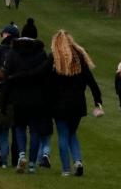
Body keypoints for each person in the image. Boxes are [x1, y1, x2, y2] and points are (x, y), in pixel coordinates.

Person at [46, 30, 103, 178]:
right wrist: (98, 101)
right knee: (72, 133)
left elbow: (45, 82)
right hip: (77, 103)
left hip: (59, 104)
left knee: (63, 135)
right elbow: (92, 83)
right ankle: (77, 161)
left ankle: (66, 169)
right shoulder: (79, 59)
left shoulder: (54, 60)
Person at [5, 23, 49, 174]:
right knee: (35, 130)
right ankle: (31, 163)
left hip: (18, 96)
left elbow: (7, 75)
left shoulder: (13, 52)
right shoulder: (41, 53)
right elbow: (45, 76)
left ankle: (21, 154)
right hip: (36, 97)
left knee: (19, 127)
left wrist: (6, 97)